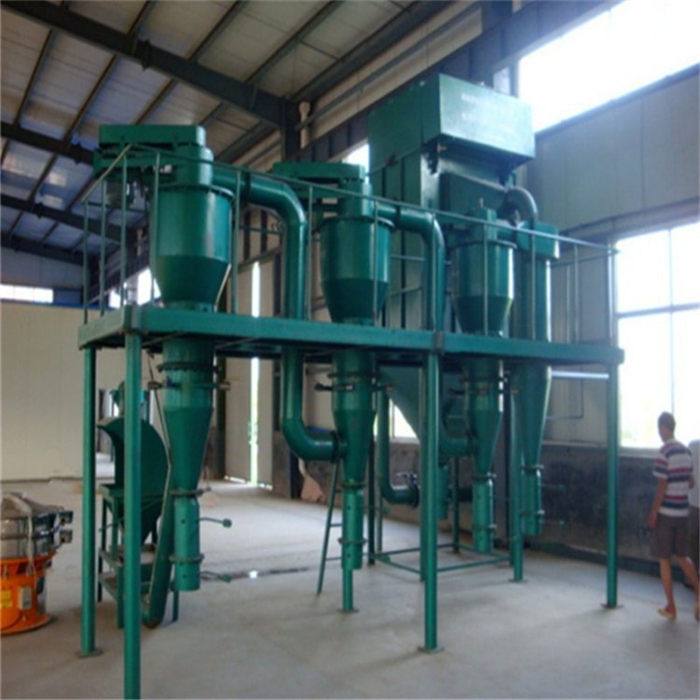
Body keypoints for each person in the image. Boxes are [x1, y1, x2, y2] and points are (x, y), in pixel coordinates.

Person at [646, 412, 700, 620]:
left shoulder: (664, 452)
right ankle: (699, 593)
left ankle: (671, 607)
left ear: (663, 427)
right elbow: (691, 482)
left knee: (664, 559)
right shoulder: (686, 451)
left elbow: (662, 486)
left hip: (667, 513)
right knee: (683, 556)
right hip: (683, 512)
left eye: (659, 428)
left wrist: (653, 512)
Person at [687, 440, 699, 582]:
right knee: (693, 540)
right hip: (694, 500)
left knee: (693, 540)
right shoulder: (693, 446)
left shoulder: (693, 445)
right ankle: (692, 578)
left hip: (694, 500)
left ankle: (691, 579)